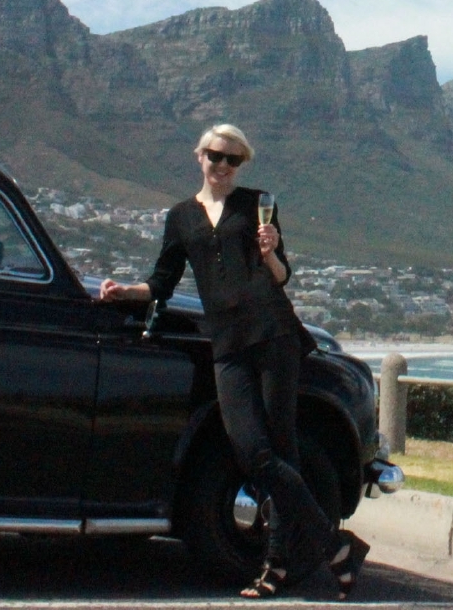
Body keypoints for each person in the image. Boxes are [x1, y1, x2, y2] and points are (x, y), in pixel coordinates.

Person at [99, 124, 367, 599]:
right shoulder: (181, 217)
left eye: (233, 160)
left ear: (241, 165)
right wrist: (125, 292)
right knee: (252, 452)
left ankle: (277, 567)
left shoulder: (257, 203)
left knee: (282, 451)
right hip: (227, 344)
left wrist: (269, 254)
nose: (223, 166)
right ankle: (334, 545)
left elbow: (282, 275)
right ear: (198, 157)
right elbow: (162, 280)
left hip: (274, 334)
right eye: (215, 156)